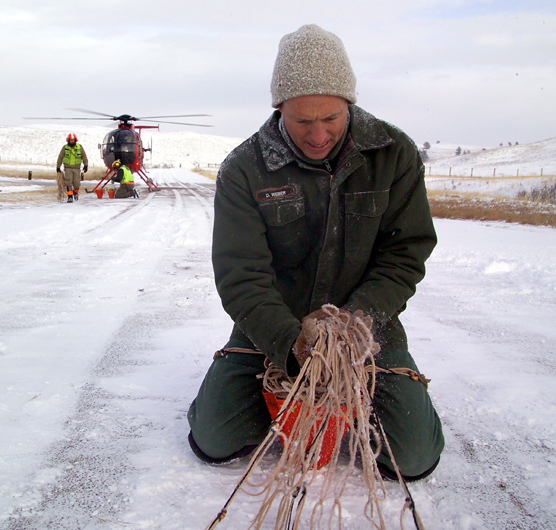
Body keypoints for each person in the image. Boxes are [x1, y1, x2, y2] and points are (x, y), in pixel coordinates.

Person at [187, 24, 444, 481]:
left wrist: (353, 324)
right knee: (213, 439)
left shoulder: (394, 154)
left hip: (366, 330)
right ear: (278, 108)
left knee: (414, 458)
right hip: (270, 332)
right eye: (302, 120)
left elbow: (405, 255)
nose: (319, 134)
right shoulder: (244, 169)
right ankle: (279, 397)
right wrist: (291, 346)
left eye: (332, 117)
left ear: (350, 103)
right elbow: (240, 275)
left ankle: (357, 403)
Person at [56, 133, 88, 203]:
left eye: (73, 140)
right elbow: (60, 157)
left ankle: (75, 193)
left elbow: (84, 156)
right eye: (71, 140)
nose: (72, 141)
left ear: (75, 140)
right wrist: (58, 167)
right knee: (68, 182)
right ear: (68, 140)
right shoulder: (65, 148)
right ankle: (70, 197)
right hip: (68, 168)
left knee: (77, 183)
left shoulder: (79, 147)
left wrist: (86, 165)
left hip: (77, 168)